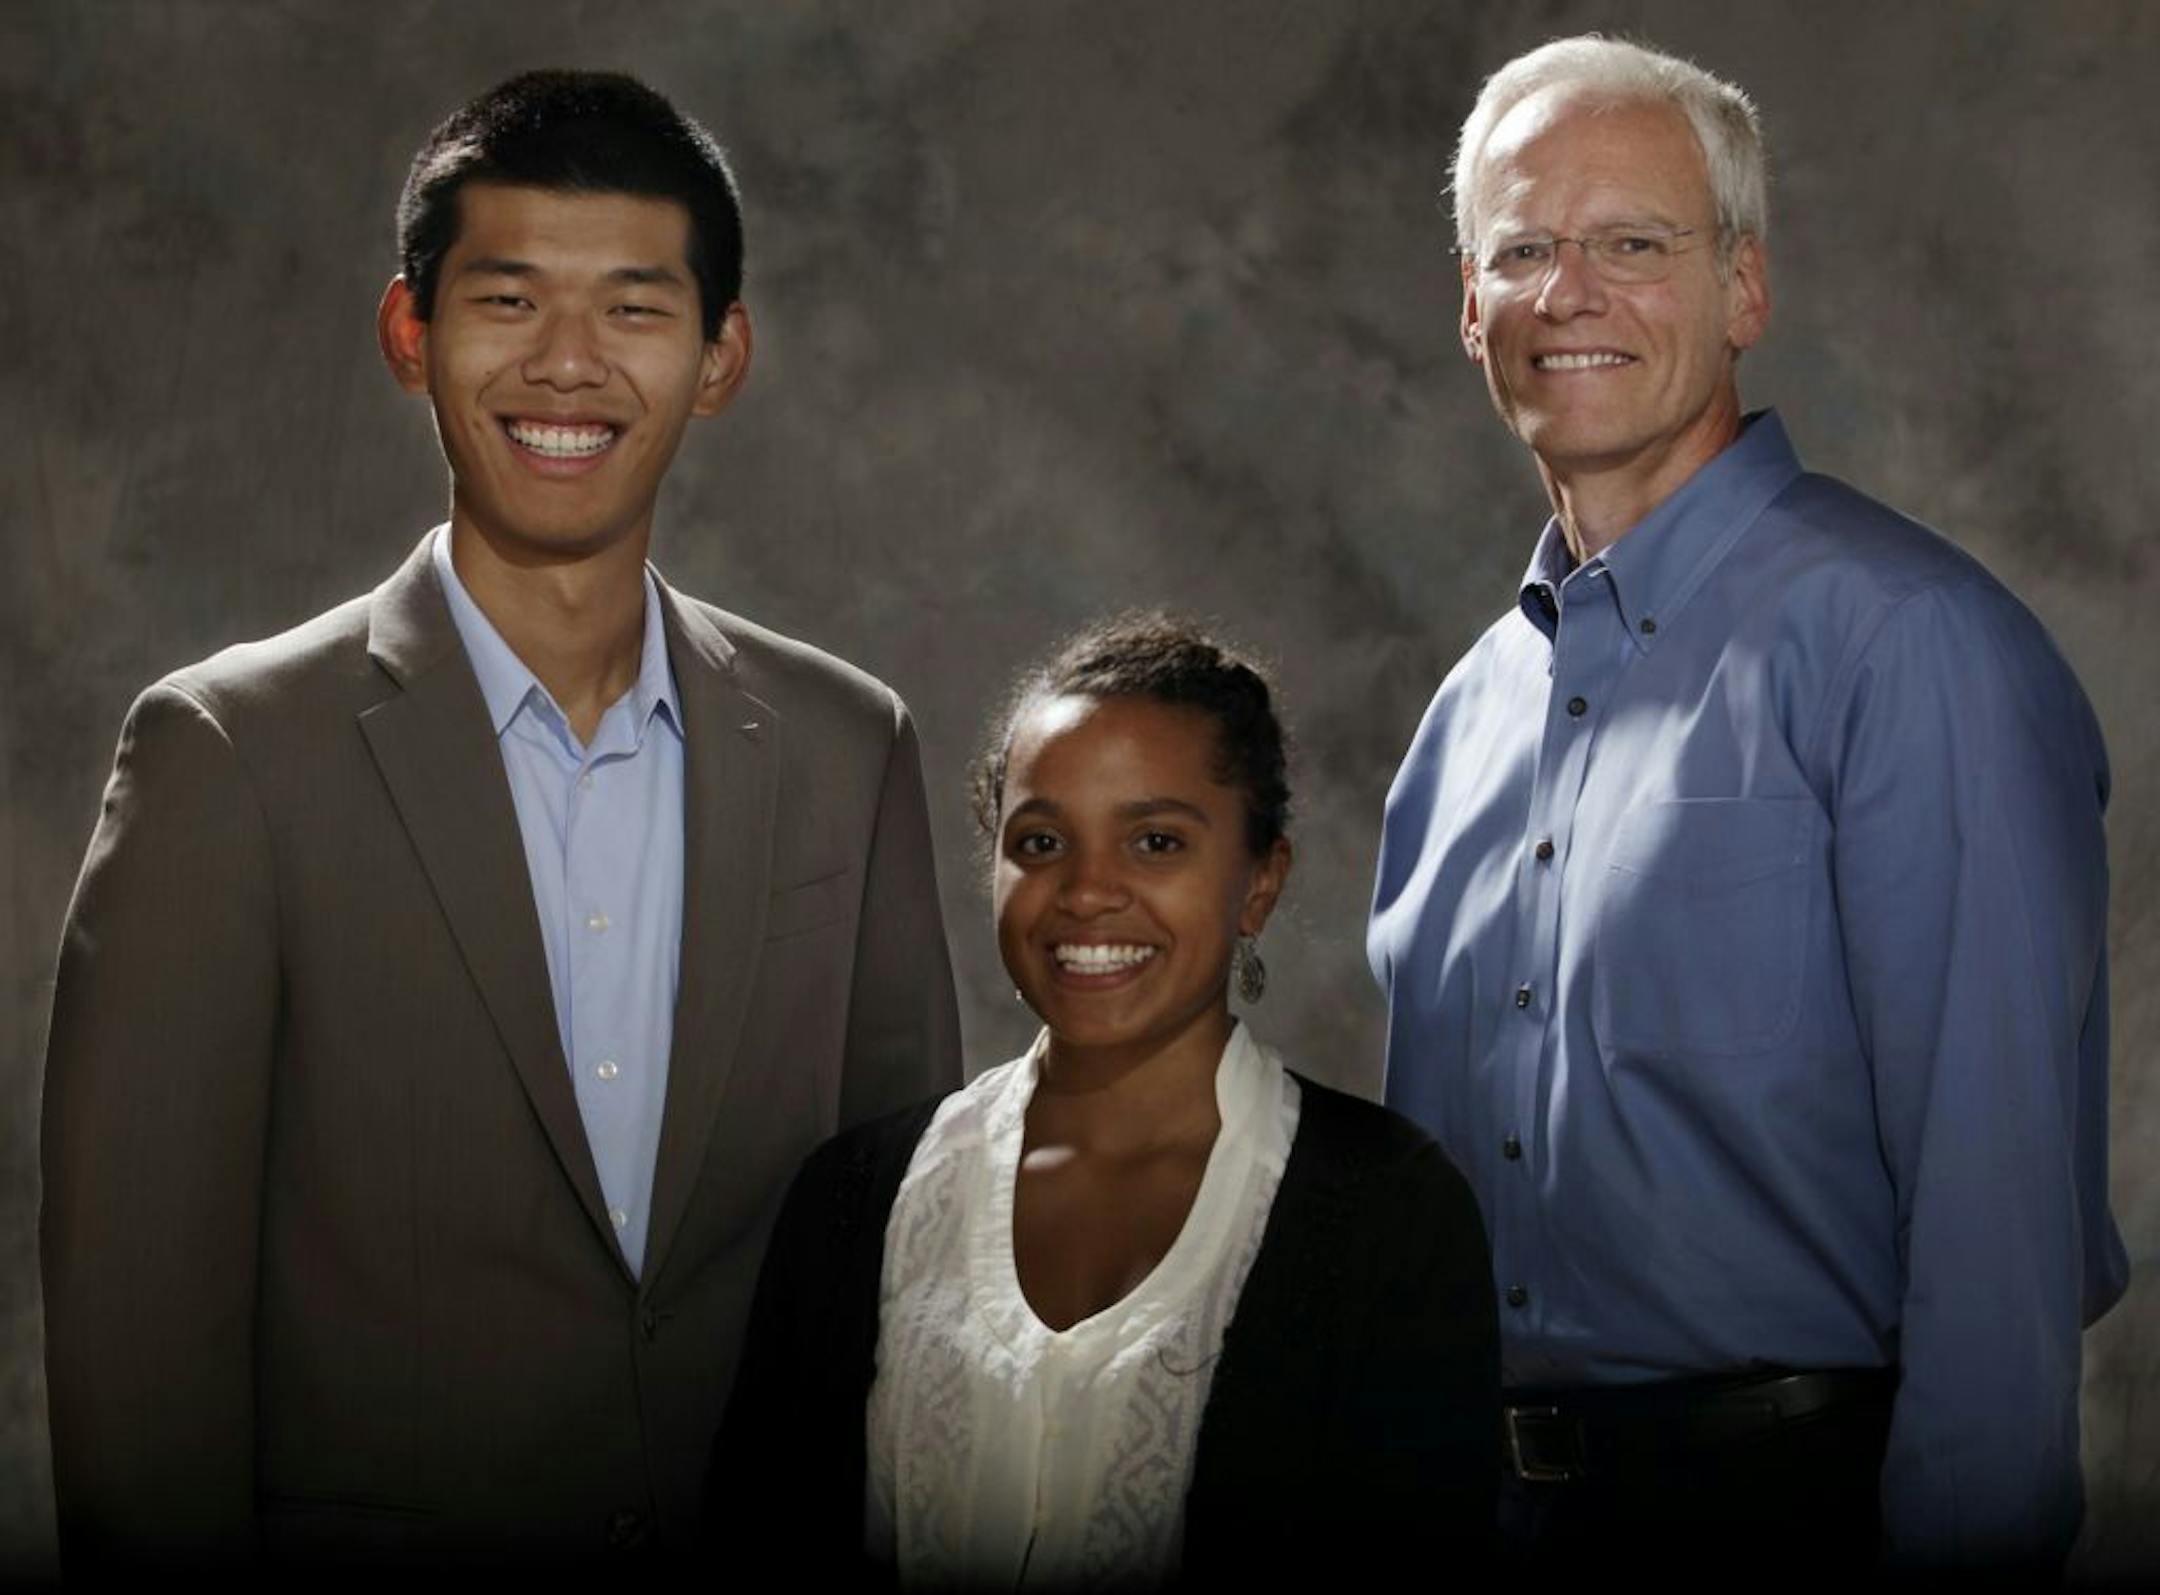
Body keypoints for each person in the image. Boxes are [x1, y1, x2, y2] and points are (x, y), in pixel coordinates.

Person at [39, 70, 959, 1567]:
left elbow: (909, 1278)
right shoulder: (229, 756)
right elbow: (141, 1363)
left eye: (636, 310)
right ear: (412, 331)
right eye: (511, 300)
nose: (569, 366)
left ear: (721, 355)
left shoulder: (848, 746)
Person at [1367, 33, 2127, 1576]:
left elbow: (1997, 1244)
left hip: (1790, 1515)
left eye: (1634, 243)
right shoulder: (1459, 724)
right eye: (1523, 248)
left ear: (1745, 290)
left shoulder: (1908, 647)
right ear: (1469, 307)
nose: (1569, 290)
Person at [715, 616, 1498, 1589]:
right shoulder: (853, 1199)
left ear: (1260, 881)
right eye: (1040, 840)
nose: (1087, 890)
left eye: (1155, 840)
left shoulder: (1390, 1212)